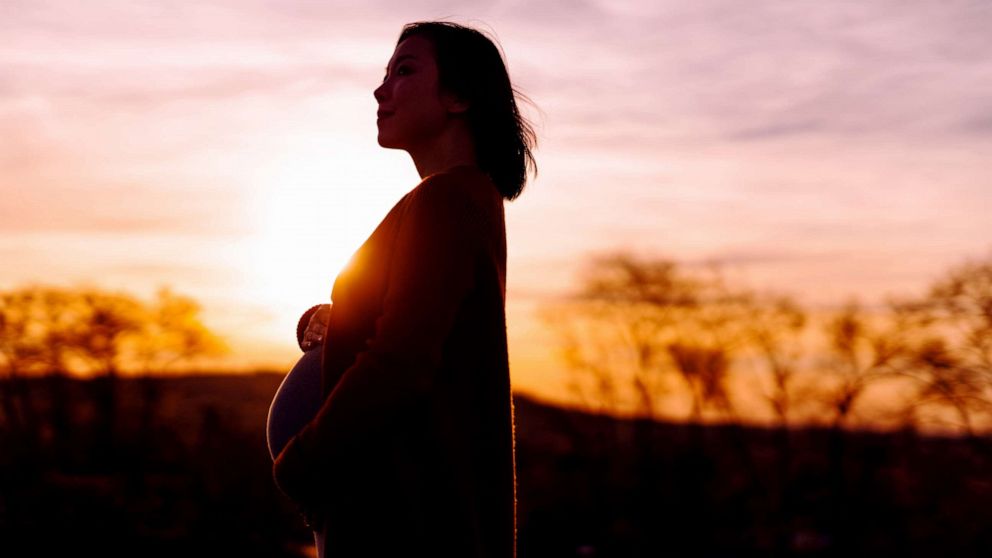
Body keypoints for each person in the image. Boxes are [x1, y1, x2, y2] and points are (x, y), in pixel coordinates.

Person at [271, 20, 538, 557]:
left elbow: (401, 361)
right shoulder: (457, 202)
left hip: (401, 522)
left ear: (459, 96)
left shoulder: (448, 201)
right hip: (386, 510)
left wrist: (300, 463)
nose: (380, 88)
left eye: (405, 70)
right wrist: (339, 320)